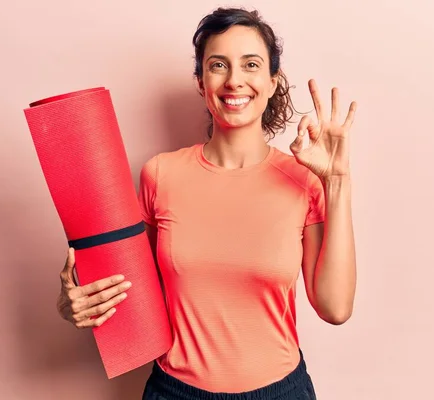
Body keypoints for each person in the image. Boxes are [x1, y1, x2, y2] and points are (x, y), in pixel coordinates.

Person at [56, 7, 358, 400]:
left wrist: (337, 181)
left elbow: (335, 308)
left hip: (280, 392)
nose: (235, 81)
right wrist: (73, 303)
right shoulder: (160, 175)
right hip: (174, 391)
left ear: (272, 82)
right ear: (201, 82)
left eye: (251, 65)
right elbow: (128, 289)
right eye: (219, 65)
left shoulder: (304, 181)